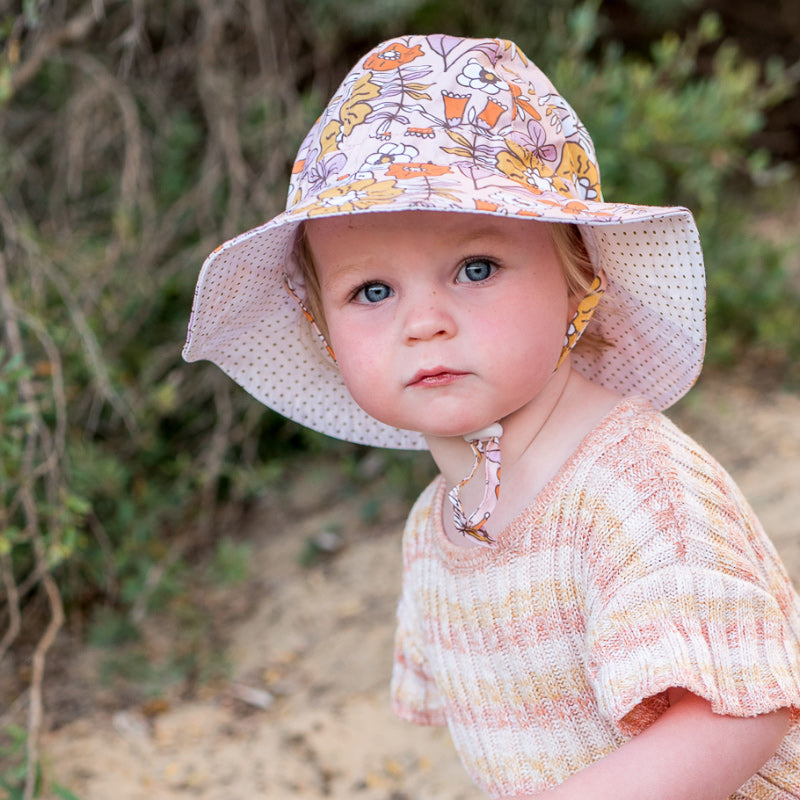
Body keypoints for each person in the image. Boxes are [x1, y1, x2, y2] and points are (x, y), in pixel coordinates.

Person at [182, 35, 800, 799]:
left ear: (580, 283)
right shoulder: (433, 531)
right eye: (372, 292)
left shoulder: (638, 489)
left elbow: (742, 711)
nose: (425, 322)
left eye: (476, 269)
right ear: (322, 335)